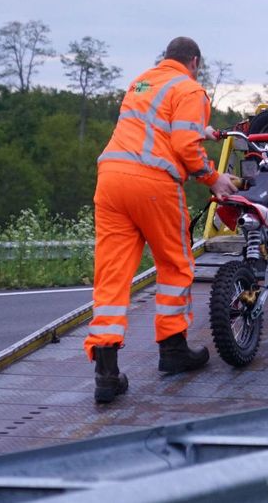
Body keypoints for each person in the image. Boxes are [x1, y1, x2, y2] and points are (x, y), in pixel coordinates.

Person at [85, 36, 237, 403]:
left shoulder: (141, 82)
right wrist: (213, 178)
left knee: (112, 274)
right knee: (175, 264)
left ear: (165, 58)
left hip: (110, 180)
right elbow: (184, 143)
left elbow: (156, 128)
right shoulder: (190, 89)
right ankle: (173, 350)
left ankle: (106, 371)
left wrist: (205, 133)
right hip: (152, 182)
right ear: (195, 61)